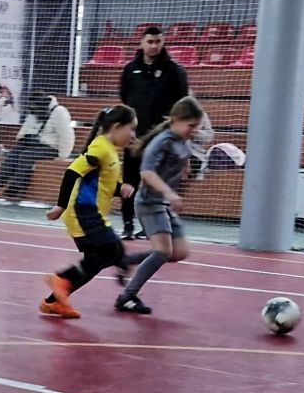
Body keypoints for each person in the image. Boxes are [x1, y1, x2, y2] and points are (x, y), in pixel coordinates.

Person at [41, 105, 152, 319]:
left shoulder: (110, 151)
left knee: (97, 260)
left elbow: (104, 184)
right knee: (112, 250)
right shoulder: (100, 148)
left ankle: (53, 301)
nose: (133, 135)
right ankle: (63, 278)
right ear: (117, 127)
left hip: (93, 212)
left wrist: (121, 189)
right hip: (83, 211)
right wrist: (60, 206)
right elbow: (72, 172)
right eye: (131, 129)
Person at [115, 97, 204, 314]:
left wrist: (185, 169)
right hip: (149, 203)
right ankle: (127, 297)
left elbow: (180, 158)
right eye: (191, 126)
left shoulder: (182, 140)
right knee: (163, 251)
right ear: (176, 119)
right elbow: (146, 173)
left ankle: (127, 260)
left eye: (197, 127)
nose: (194, 130)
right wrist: (169, 192)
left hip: (163, 204)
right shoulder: (161, 142)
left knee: (179, 252)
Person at [119, 26, 189, 239]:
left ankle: (152, 226)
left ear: (163, 42)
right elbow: (125, 98)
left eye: (158, 41)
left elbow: (182, 105)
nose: (154, 46)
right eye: (150, 41)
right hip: (135, 137)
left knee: (156, 183)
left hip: (161, 138)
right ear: (142, 42)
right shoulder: (130, 69)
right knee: (130, 180)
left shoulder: (175, 71)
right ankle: (128, 224)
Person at [0, 94, 75, 200]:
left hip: (52, 147)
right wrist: (23, 138)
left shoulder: (59, 112)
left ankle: (16, 186)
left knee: (26, 155)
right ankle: (2, 177)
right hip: (36, 144)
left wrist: (63, 155)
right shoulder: (35, 112)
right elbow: (24, 130)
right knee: (16, 150)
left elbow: (66, 135)